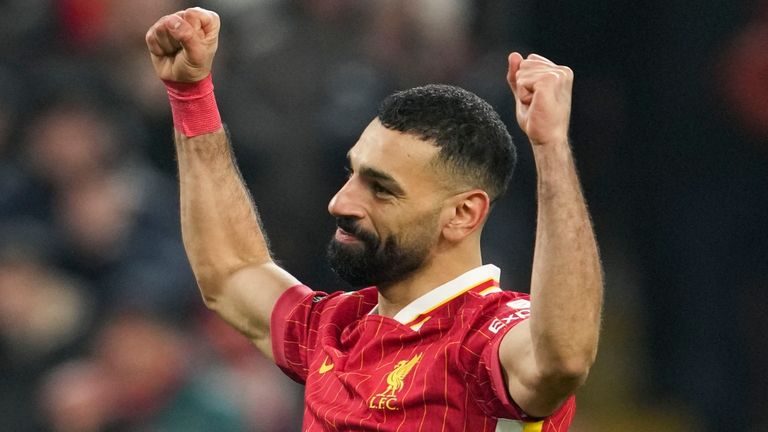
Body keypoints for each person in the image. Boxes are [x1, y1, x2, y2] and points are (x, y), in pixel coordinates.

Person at [145, 7, 603, 431]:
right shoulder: (335, 328)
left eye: (381, 189)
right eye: (352, 174)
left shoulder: (487, 339)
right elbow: (231, 273)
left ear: (463, 215)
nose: (341, 203)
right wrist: (191, 95)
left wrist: (550, 148)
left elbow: (561, 357)